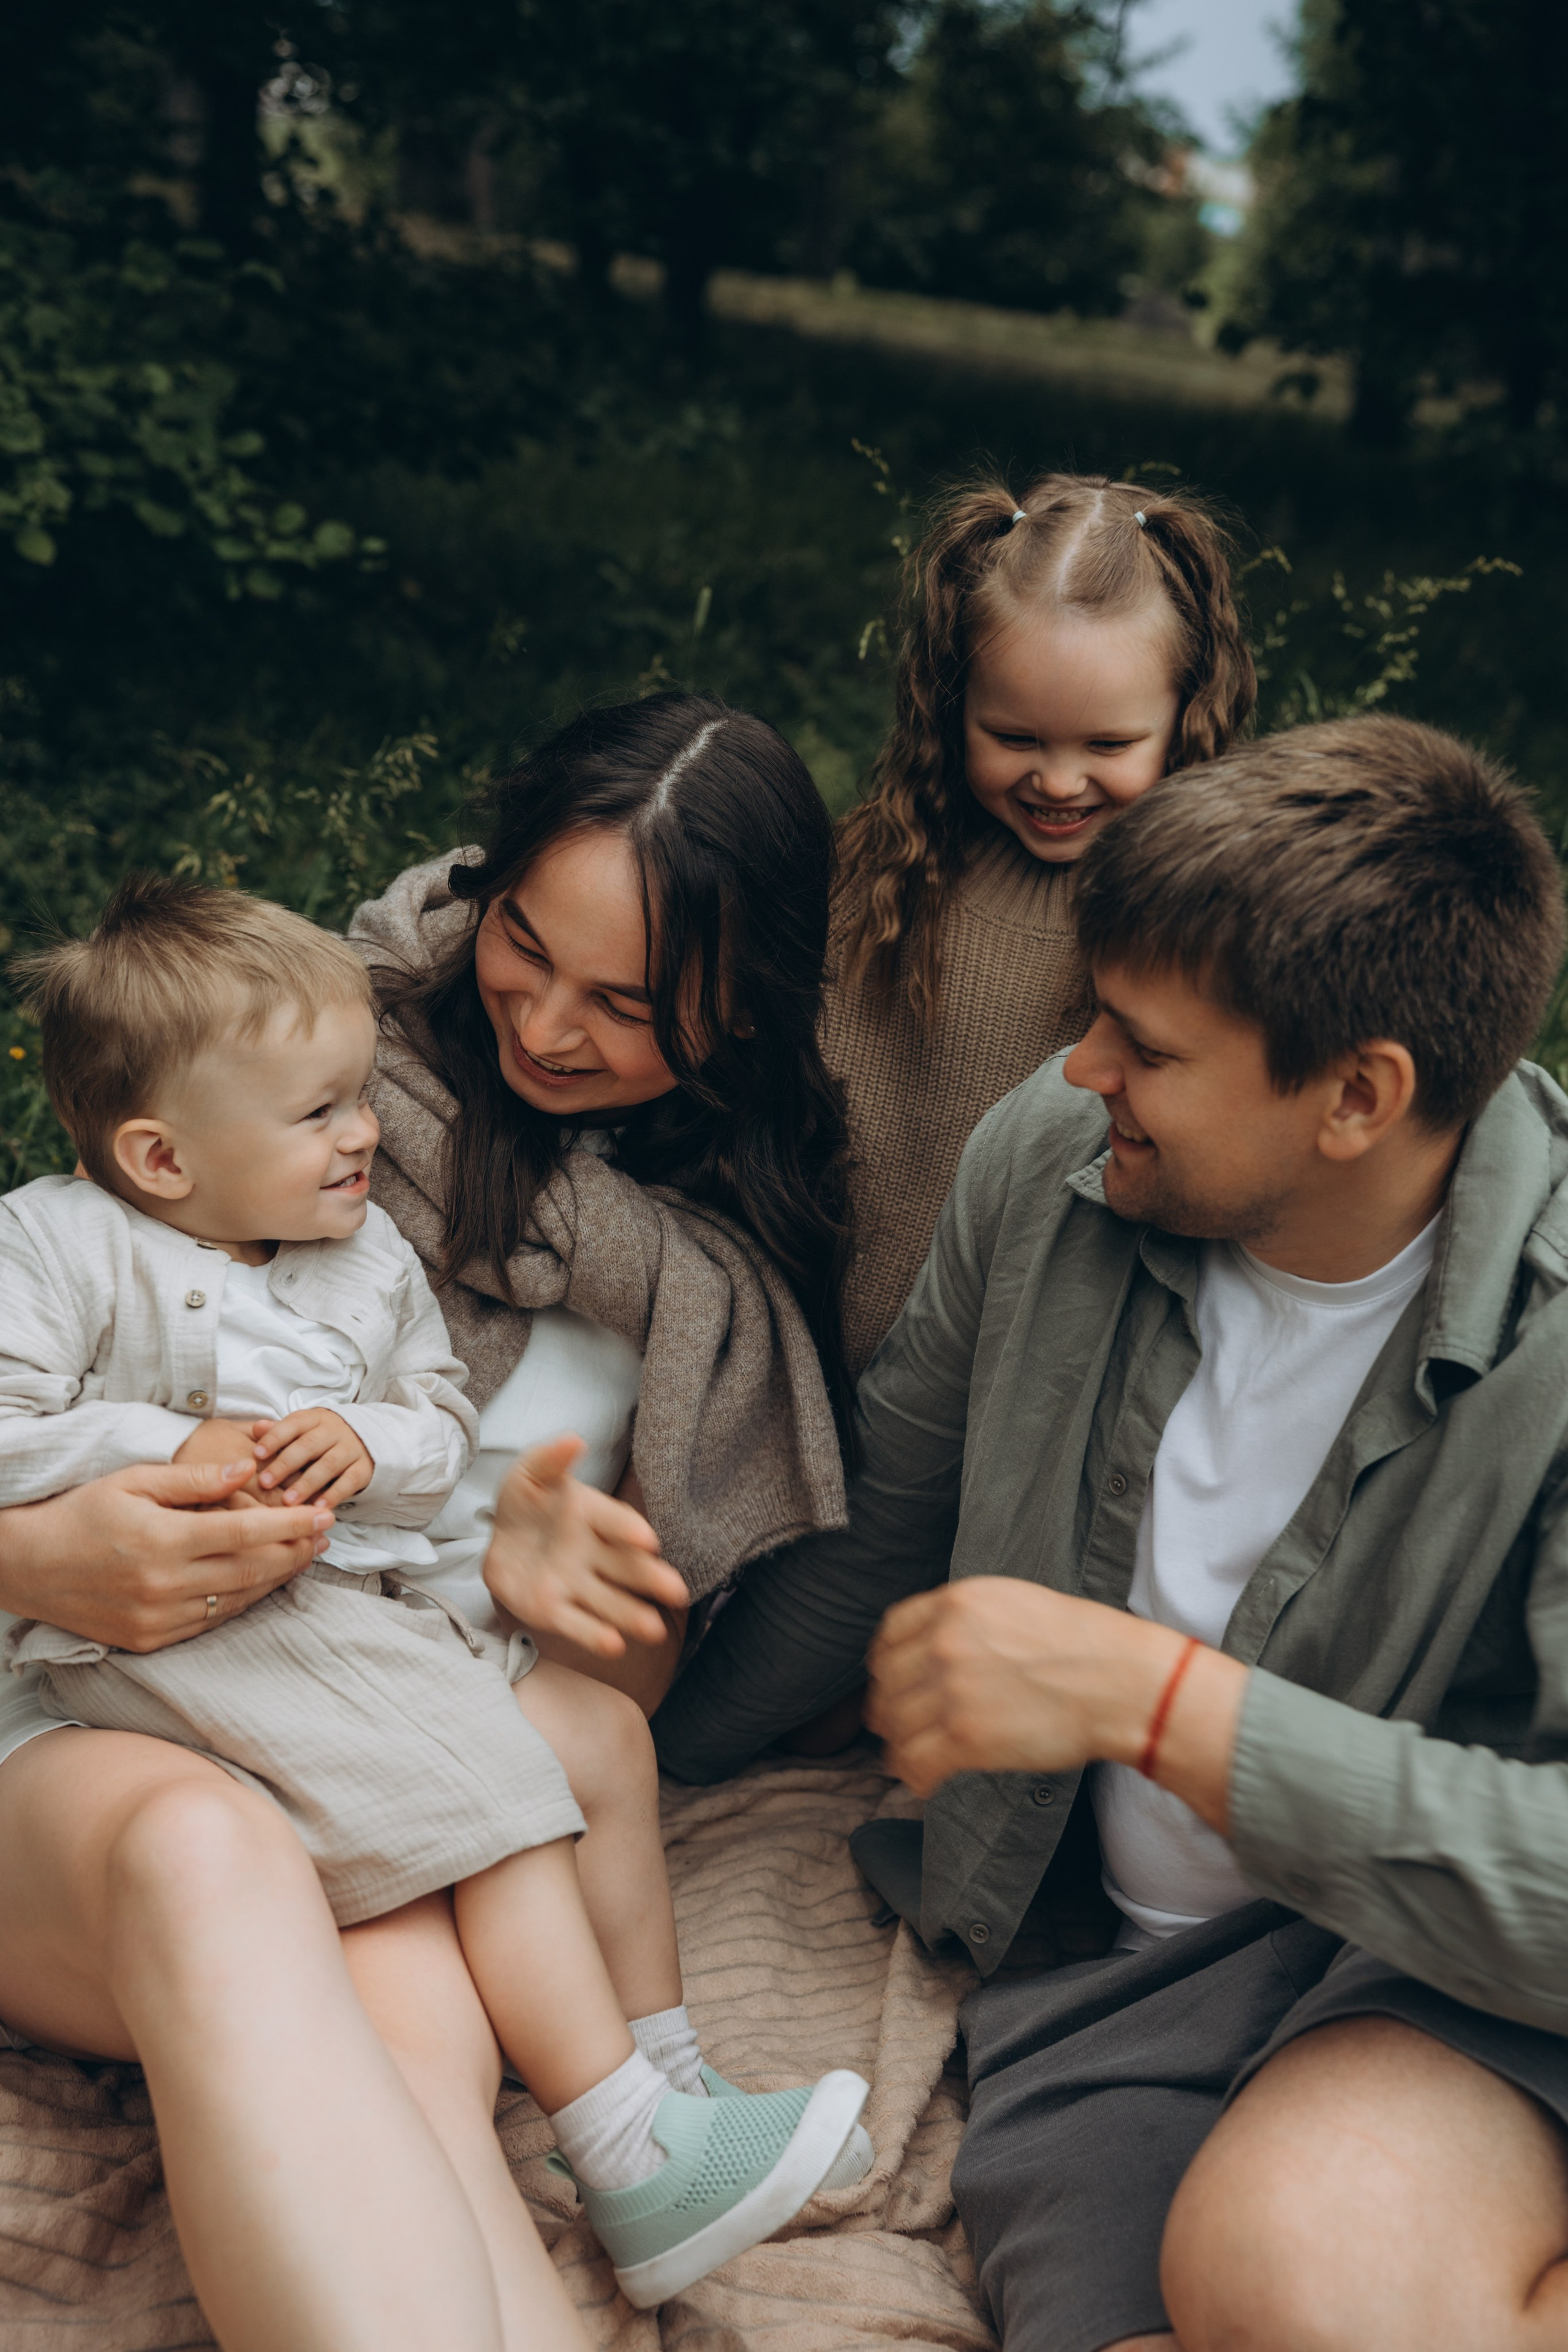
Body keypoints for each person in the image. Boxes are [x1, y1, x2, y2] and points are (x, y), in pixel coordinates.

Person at [655, 713, 1568, 2352]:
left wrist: (1156, 1704)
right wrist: (621, 1764)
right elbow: (878, 1529)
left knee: (1301, 2279)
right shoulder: (1053, 1162)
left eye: (1142, 1046)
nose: (1084, 1072)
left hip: (1452, 1975)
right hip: (1108, 1984)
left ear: (1359, 1097)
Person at [0, 692, 860, 2352]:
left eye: (626, 1002)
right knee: (216, 1851)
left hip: (393, 1692)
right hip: (104, 1714)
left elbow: (602, 1664)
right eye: (523, 947)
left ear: (738, 1014)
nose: (542, 1023)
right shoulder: (293, 1054)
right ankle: (634, 2131)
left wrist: (537, 1584)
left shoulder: (699, 1278)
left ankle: (635, 2168)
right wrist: (41, 1551)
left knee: (410, 2013)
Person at [824, 470, 1256, 1381]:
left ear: (1186, 718)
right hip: (804, 1356)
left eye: (1108, 746)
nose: (1059, 783)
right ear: (952, 706)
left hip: (1017, 1393)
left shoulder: (1193, 933)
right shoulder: (874, 874)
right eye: (1015, 738)